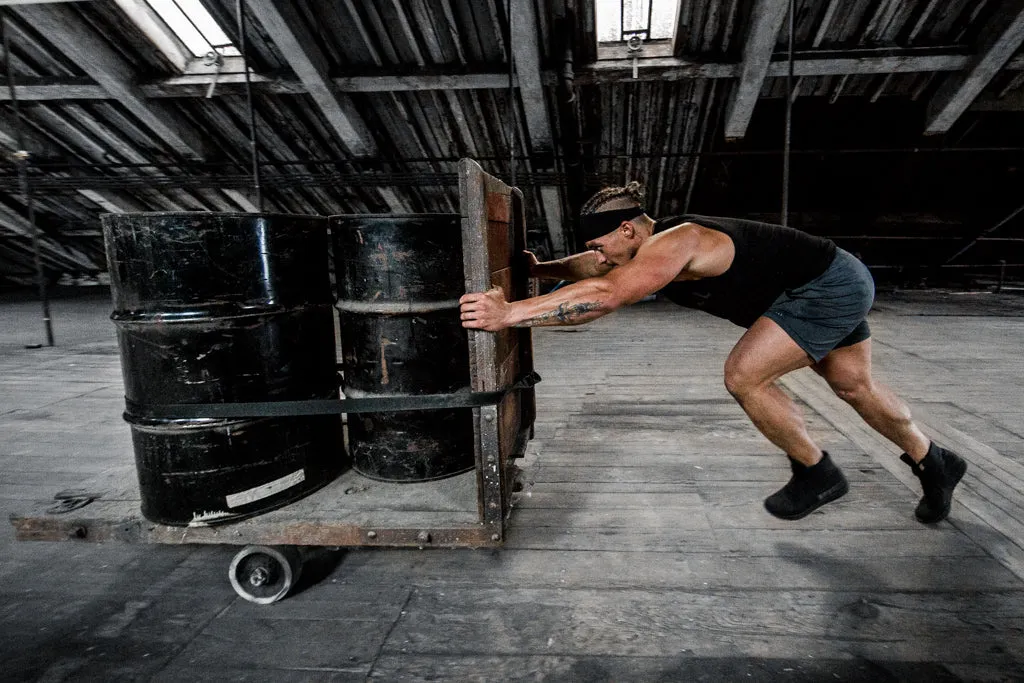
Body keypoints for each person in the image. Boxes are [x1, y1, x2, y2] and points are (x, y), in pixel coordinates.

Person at [459, 182, 967, 523]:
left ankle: (817, 472)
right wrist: (541, 270)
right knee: (855, 386)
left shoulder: (681, 242)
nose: (599, 254)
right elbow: (591, 271)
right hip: (831, 277)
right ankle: (935, 461)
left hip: (824, 287)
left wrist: (510, 314)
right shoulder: (645, 246)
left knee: (745, 376)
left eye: (602, 244)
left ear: (629, 230)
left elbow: (608, 294)